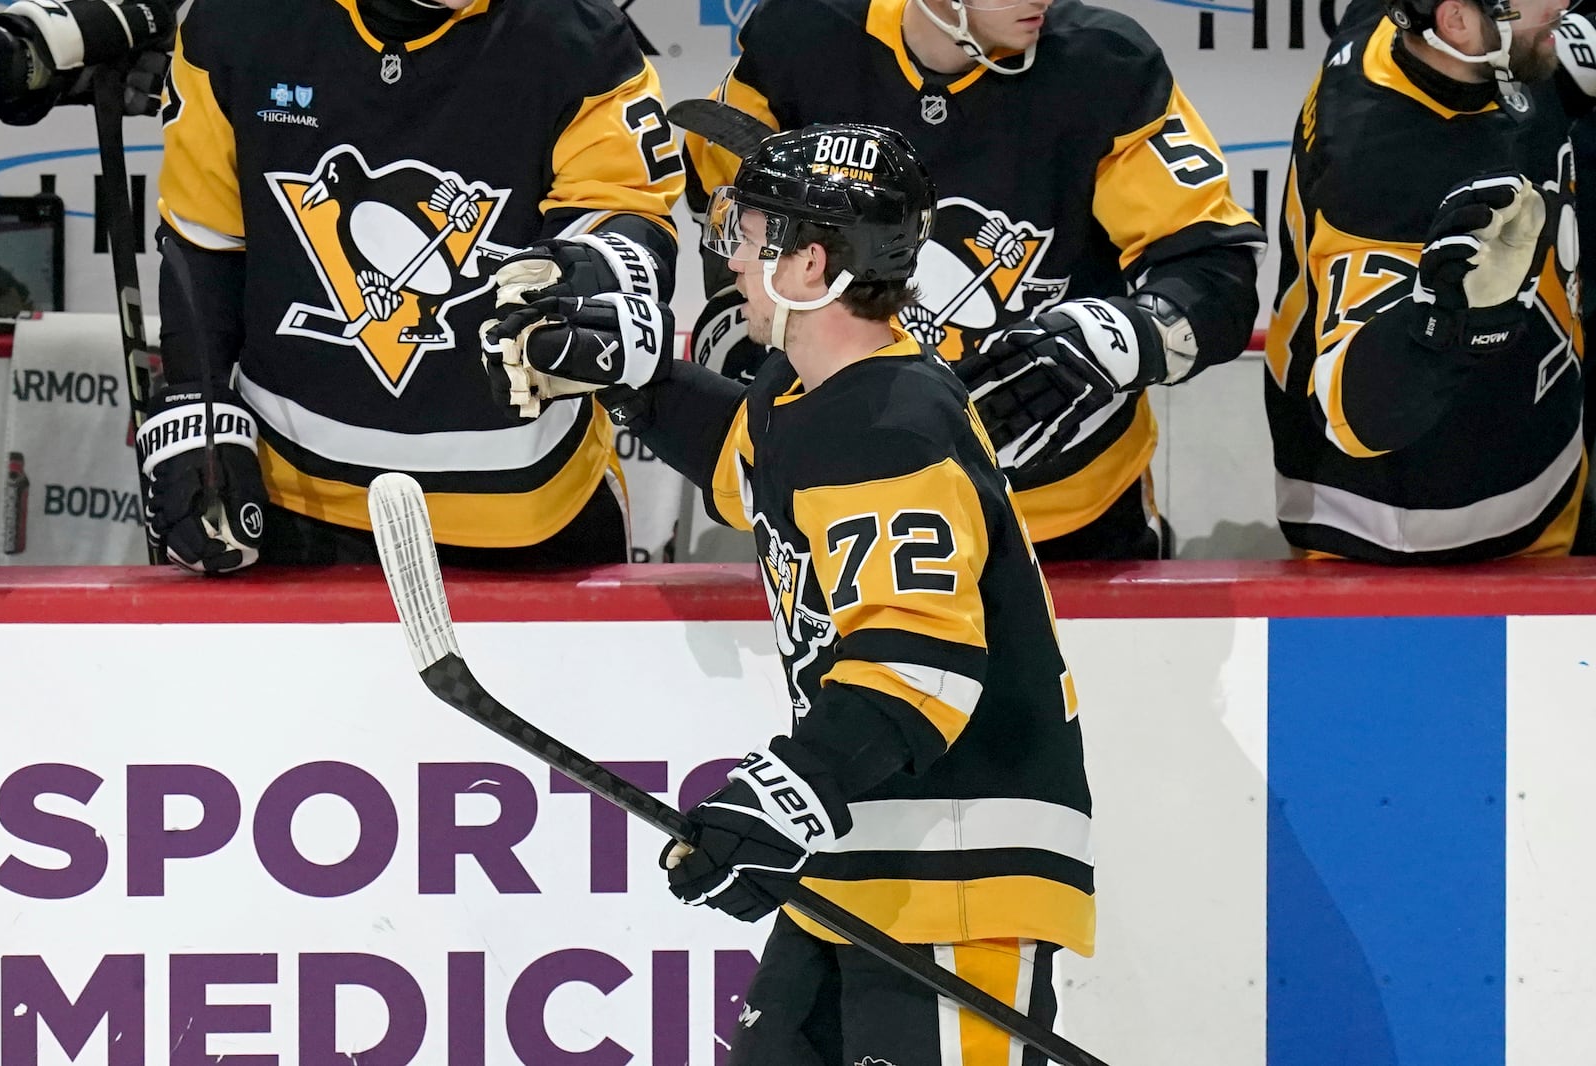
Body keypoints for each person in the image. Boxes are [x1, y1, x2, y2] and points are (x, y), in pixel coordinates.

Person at [481, 123, 1093, 1063]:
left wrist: (784, 796)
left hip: (960, 862)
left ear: (811, 265)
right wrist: (630, 381)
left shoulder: (896, 428)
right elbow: (742, 473)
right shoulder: (806, 395)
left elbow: (919, 664)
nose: (729, 253)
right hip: (866, 856)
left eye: (751, 230)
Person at [679, 0, 1265, 561]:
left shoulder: (1105, 66)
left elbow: (1212, 269)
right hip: (849, 501)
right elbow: (731, 226)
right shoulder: (801, 39)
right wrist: (745, 335)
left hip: (1062, 508)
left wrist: (1120, 340)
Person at [138, 0, 683, 573]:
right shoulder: (239, 21)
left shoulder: (577, 34)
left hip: (526, 504)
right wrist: (197, 406)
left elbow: (622, 212)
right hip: (292, 496)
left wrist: (585, 275)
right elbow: (204, 239)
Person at [1263, 0, 1588, 562]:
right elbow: (1354, 414)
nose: (1562, 1)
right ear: (1455, 20)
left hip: (1542, 450)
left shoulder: (1420, 31)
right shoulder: (1378, 169)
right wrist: (1459, 319)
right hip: (1416, 523)